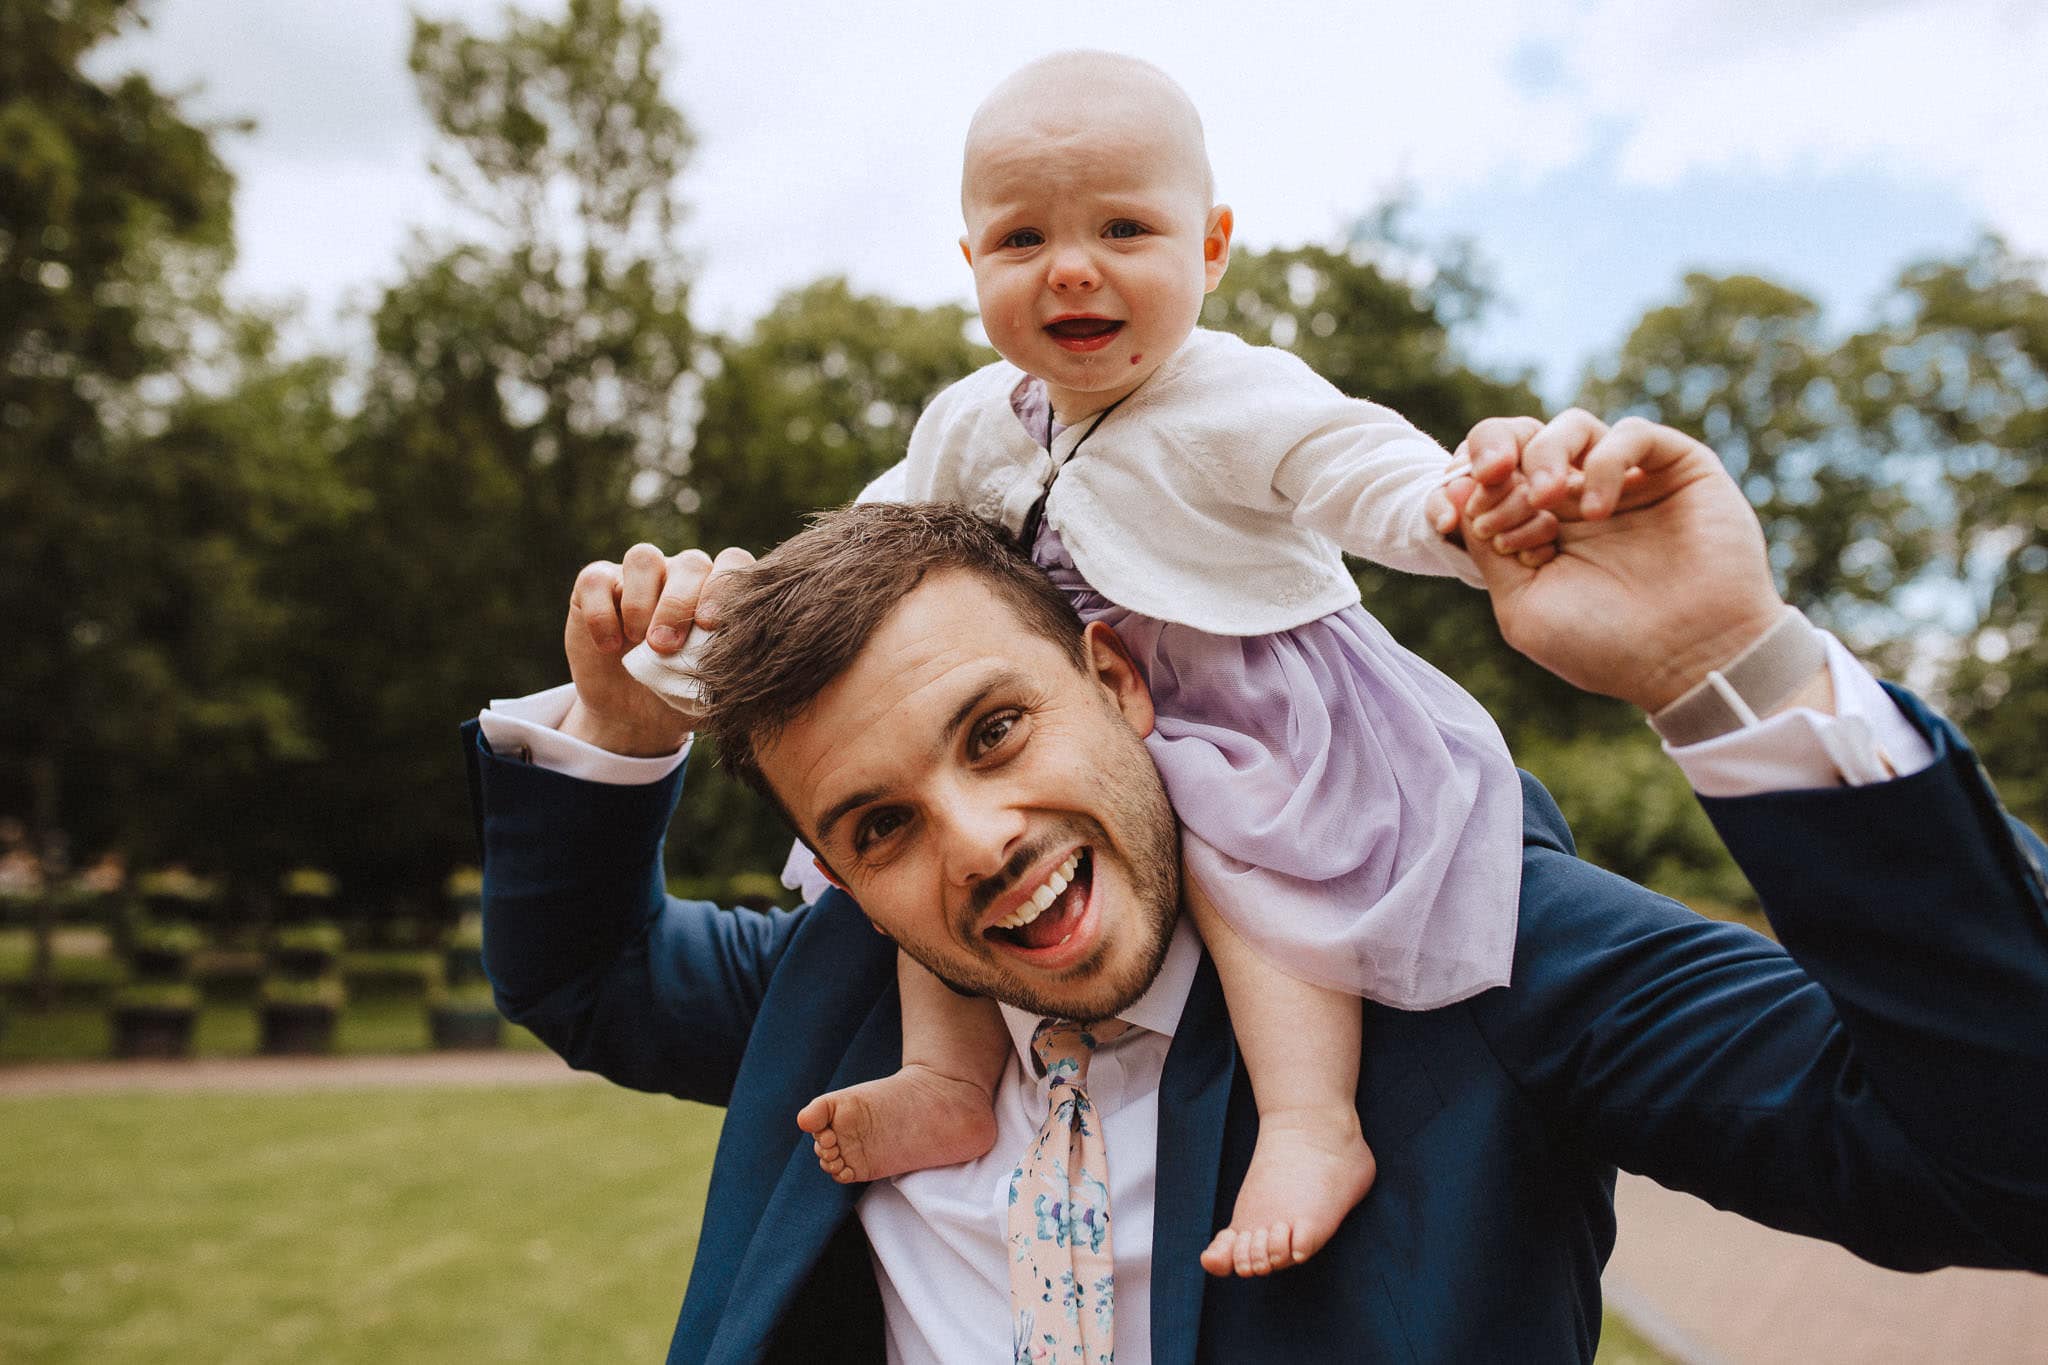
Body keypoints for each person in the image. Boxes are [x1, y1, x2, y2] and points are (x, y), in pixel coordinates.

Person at [469, 411, 2048, 1363]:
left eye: (999, 730)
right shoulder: (843, 990)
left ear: (1120, 676)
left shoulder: (1451, 930)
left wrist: (1725, 667)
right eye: (877, 826)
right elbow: (587, 978)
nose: (974, 840)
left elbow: (2007, 1159)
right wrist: (615, 730)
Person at [626, 50, 1560, 1276]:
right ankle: (944, 1081)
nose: (1071, 266)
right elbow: (870, 539)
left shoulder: (1239, 394)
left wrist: (1460, 511)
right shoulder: (968, 418)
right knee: (943, 852)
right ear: (970, 266)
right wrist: (744, 603)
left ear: (1210, 246)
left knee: (1246, 858)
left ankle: (1309, 1122)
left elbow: (1354, 467)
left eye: (1123, 227)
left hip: (1247, 708)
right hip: (1050, 714)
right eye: (1021, 239)